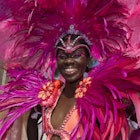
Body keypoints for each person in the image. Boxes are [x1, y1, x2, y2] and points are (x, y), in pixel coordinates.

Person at [0, 0, 140, 140]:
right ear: (56, 59)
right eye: (62, 56)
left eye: (77, 55)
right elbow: (31, 121)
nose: (69, 61)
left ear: (88, 60)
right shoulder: (49, 95)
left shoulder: (98, 99)